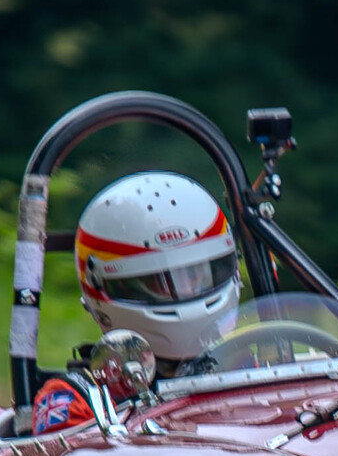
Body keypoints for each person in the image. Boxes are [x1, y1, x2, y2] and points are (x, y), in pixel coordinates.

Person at [30, 170, 238, 431]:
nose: (186, 291)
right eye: (158, 284)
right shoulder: (76, 401)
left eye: (196, 275)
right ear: (106, 288)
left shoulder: (247, 368)